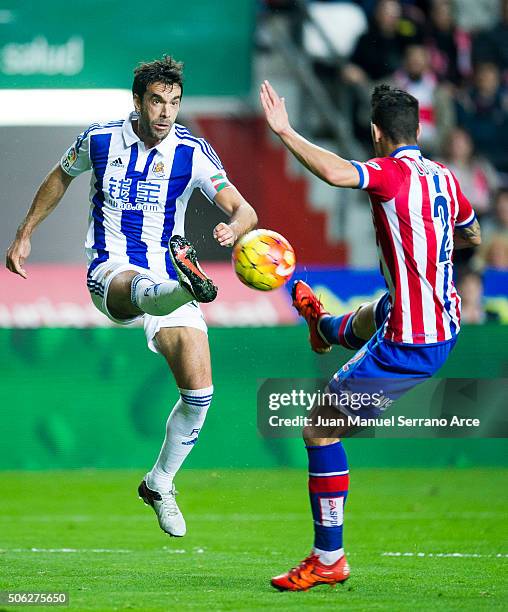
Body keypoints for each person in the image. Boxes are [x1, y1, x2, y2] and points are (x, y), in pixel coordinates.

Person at [5, 56, 257, 538]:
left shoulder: (193, 152)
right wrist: (24, 233)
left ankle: (160, 482)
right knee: (139, 288)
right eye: (158, 102)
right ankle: (184, 286)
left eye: (175, 103)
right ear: (138, 102)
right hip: (110, 271)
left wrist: (234, 226)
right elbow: (59, 177)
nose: (166, 113)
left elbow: (243, 208)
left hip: (169, 273)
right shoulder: (99, 138)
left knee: (200, 395)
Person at [260, 80, 481, 591]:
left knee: (318, 428)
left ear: (377, 133)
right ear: (419, 129)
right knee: (371, 314)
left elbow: (338, 173)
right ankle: (325, 327)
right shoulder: (444, 177)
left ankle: (328, 558)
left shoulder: (388, 172)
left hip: (412, 340)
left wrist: (285, 130)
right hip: (441, 318)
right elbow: (471, 234)